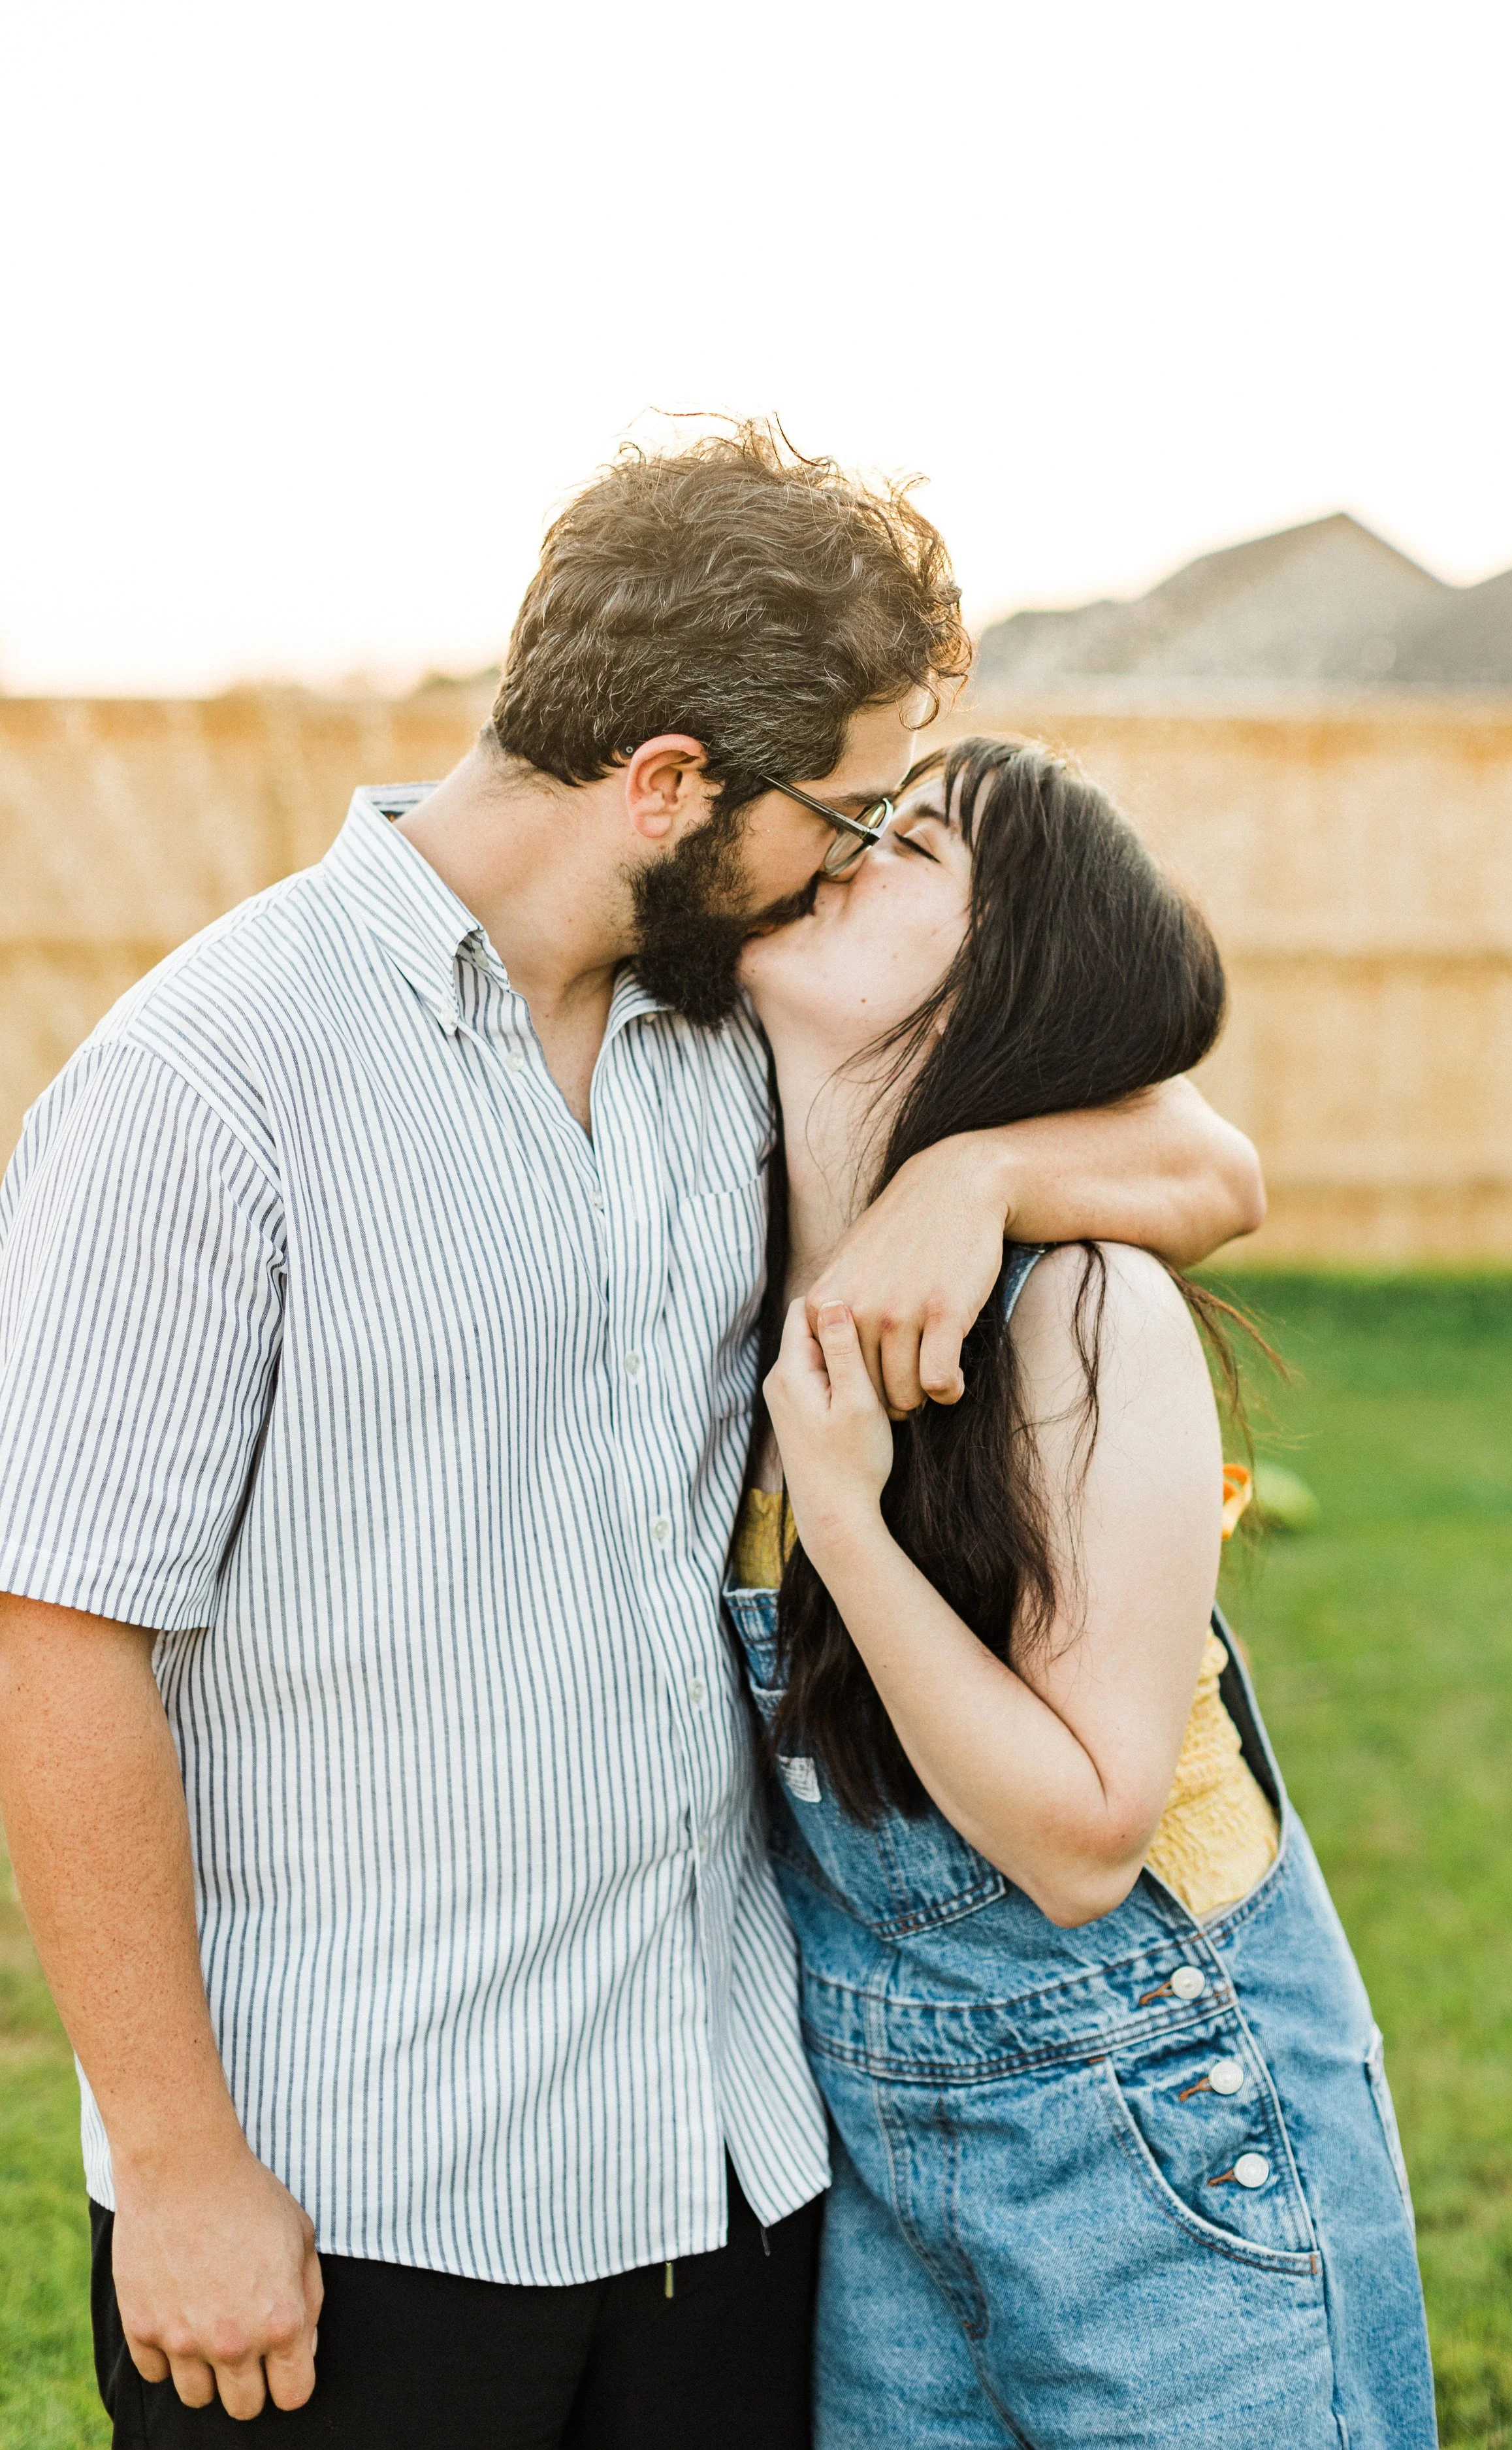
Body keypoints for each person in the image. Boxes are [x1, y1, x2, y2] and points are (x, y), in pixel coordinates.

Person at [0, 429, 1265, 2447]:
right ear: (670, 781)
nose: (853, 865)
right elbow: (58, 1639)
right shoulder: (204, 1085)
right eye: (837, 816)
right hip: (361, 2195)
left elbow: (1211, 1163)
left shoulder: (735, 1033)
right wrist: (177, 2161)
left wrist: (977, 1177)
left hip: (726, 2169)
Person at [729, 735, 1436, 2448]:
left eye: (904, 847)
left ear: (1000, 979)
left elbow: (1080, 1836)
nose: (839, 851)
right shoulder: (727, 1227)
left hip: (1164, 2137)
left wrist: (838, 1507)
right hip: (887, 2163)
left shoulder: (1078, 1307)